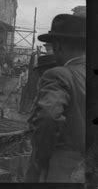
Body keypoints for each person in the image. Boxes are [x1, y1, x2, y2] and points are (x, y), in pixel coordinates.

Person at [28, 13, 86, 183]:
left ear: (59, 46)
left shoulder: (59, 74)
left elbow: (48, 116)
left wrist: (40, 156)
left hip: (66, 167)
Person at [25, 54, 58, 182]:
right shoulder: (45, 83)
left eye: (41, 71)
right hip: (39, 134)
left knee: (39, 170)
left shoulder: (54, 84)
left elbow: (48, 115)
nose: (39, 74)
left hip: (45, 137)